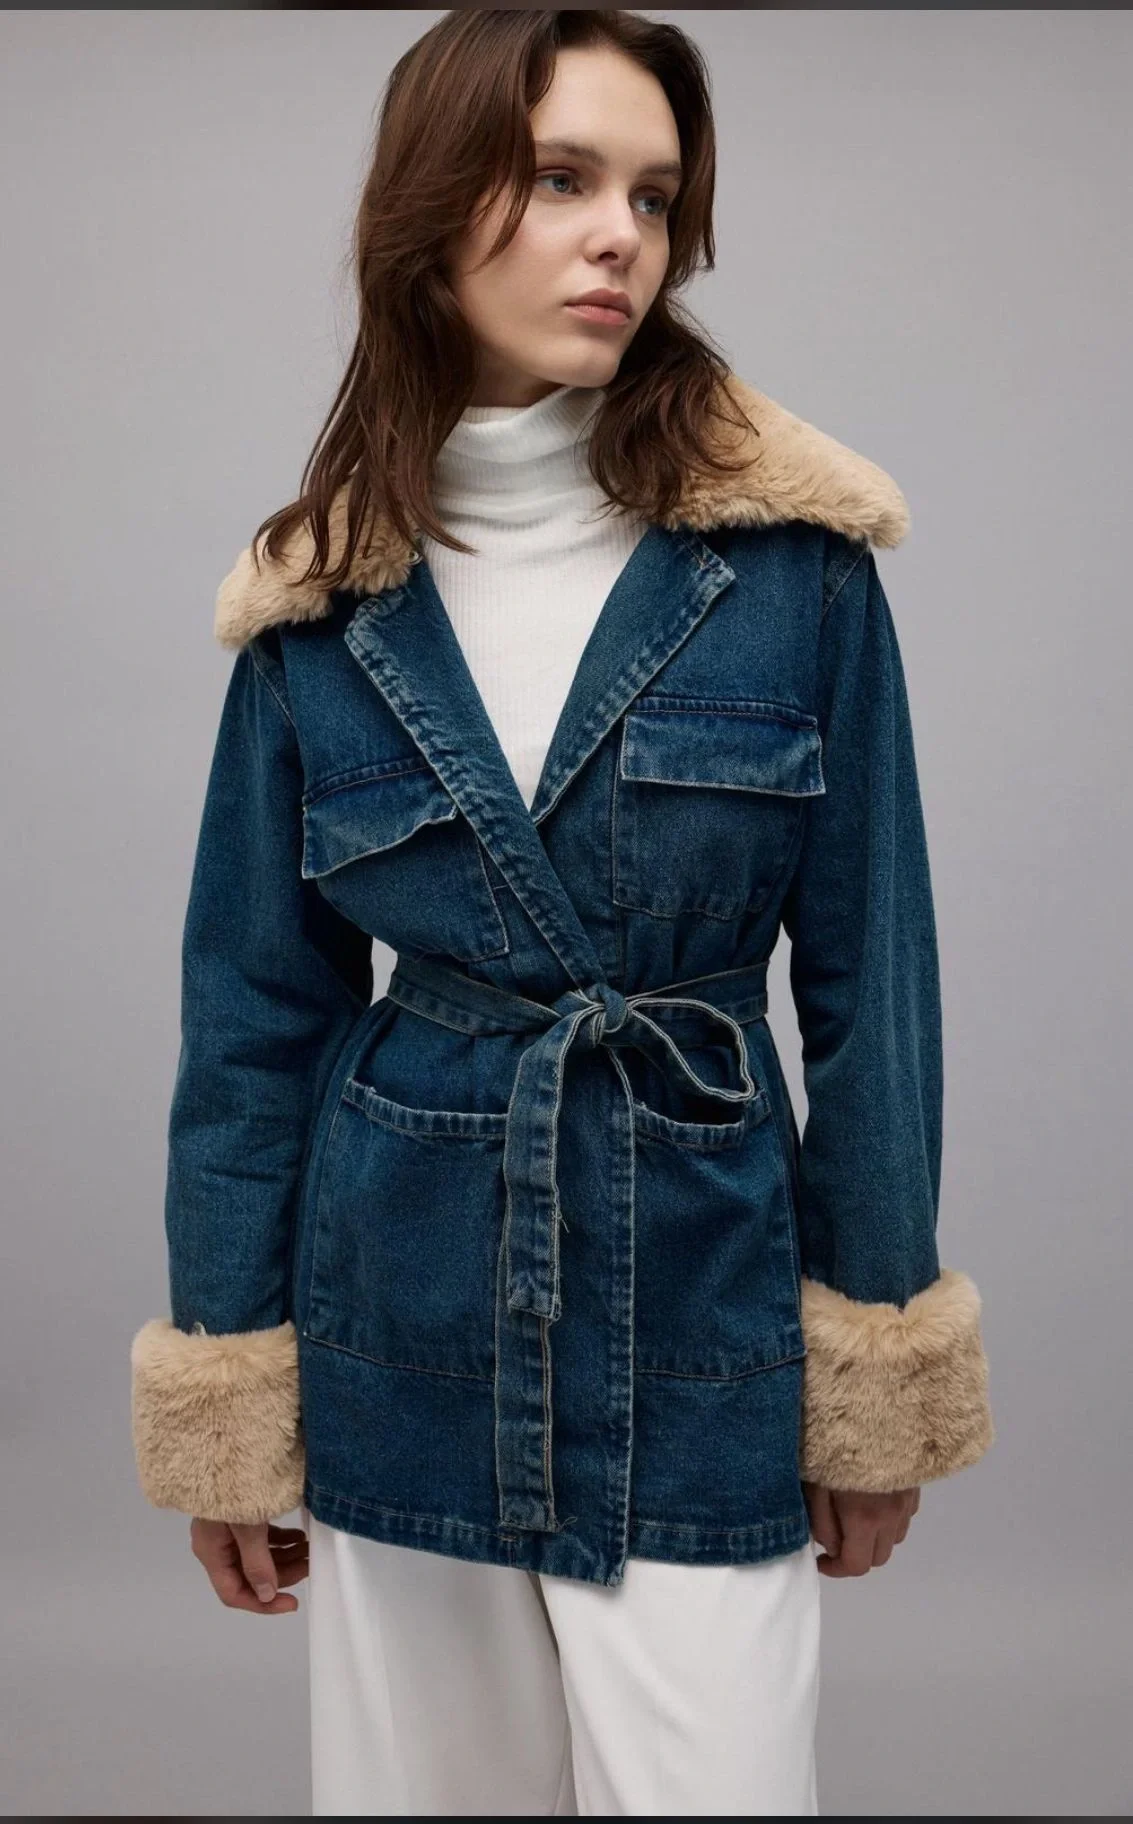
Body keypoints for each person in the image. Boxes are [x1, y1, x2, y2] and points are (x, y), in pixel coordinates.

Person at [129, 10, 995, 1817]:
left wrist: (870, 1362)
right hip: (397, 1313)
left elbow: (875, 995)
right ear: (430, 208)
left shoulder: (792, 575)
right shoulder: (316, 608)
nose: (622, 236)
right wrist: (230, 1392)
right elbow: (254, 1024)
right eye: (560, 179)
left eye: (655, 197)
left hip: (700, 1306)